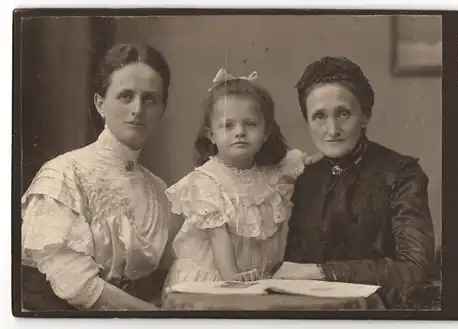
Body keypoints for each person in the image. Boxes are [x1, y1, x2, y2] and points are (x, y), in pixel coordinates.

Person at [21, 43, 181, 311]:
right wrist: (156, 318)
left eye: (150, 99)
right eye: (125, 96)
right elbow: (79, 285)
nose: (138, 109)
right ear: (100, 104)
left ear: (162, 109)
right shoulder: (64, 175)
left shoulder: (159, 190)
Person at [272, 56, 437, 305]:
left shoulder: (402, 173)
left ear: (365, 115)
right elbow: (292, 268)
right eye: (319, 116)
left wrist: (322, 272)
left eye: (343, 114)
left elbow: (415, 267)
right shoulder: (304, 179)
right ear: (307, 121)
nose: (332, 129)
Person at [161, 68, 321, 295]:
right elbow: (220, 244)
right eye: (228, 125)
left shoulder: (274, 174)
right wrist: (234, 277)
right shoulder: (207, 182)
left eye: (251, 124)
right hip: (215, 281)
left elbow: (307, 162)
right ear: (211, 134)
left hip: (254, 280)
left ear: (266, 133)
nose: (240, 132)